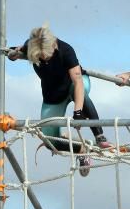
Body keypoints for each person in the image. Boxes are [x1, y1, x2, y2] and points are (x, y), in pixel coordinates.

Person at [7, 24, 113, 176]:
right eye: (39, 56)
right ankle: (82, 150)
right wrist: (13, 54)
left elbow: (78, 82)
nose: (42, 59)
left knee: (81, 93)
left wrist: (77, 112)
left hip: (74, 85)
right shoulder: (30, 46)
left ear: (53, 47)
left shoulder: (66, 51)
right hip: (53, 94)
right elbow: (17, 51)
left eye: (45, 55)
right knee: (50, 142)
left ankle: (99, 135)